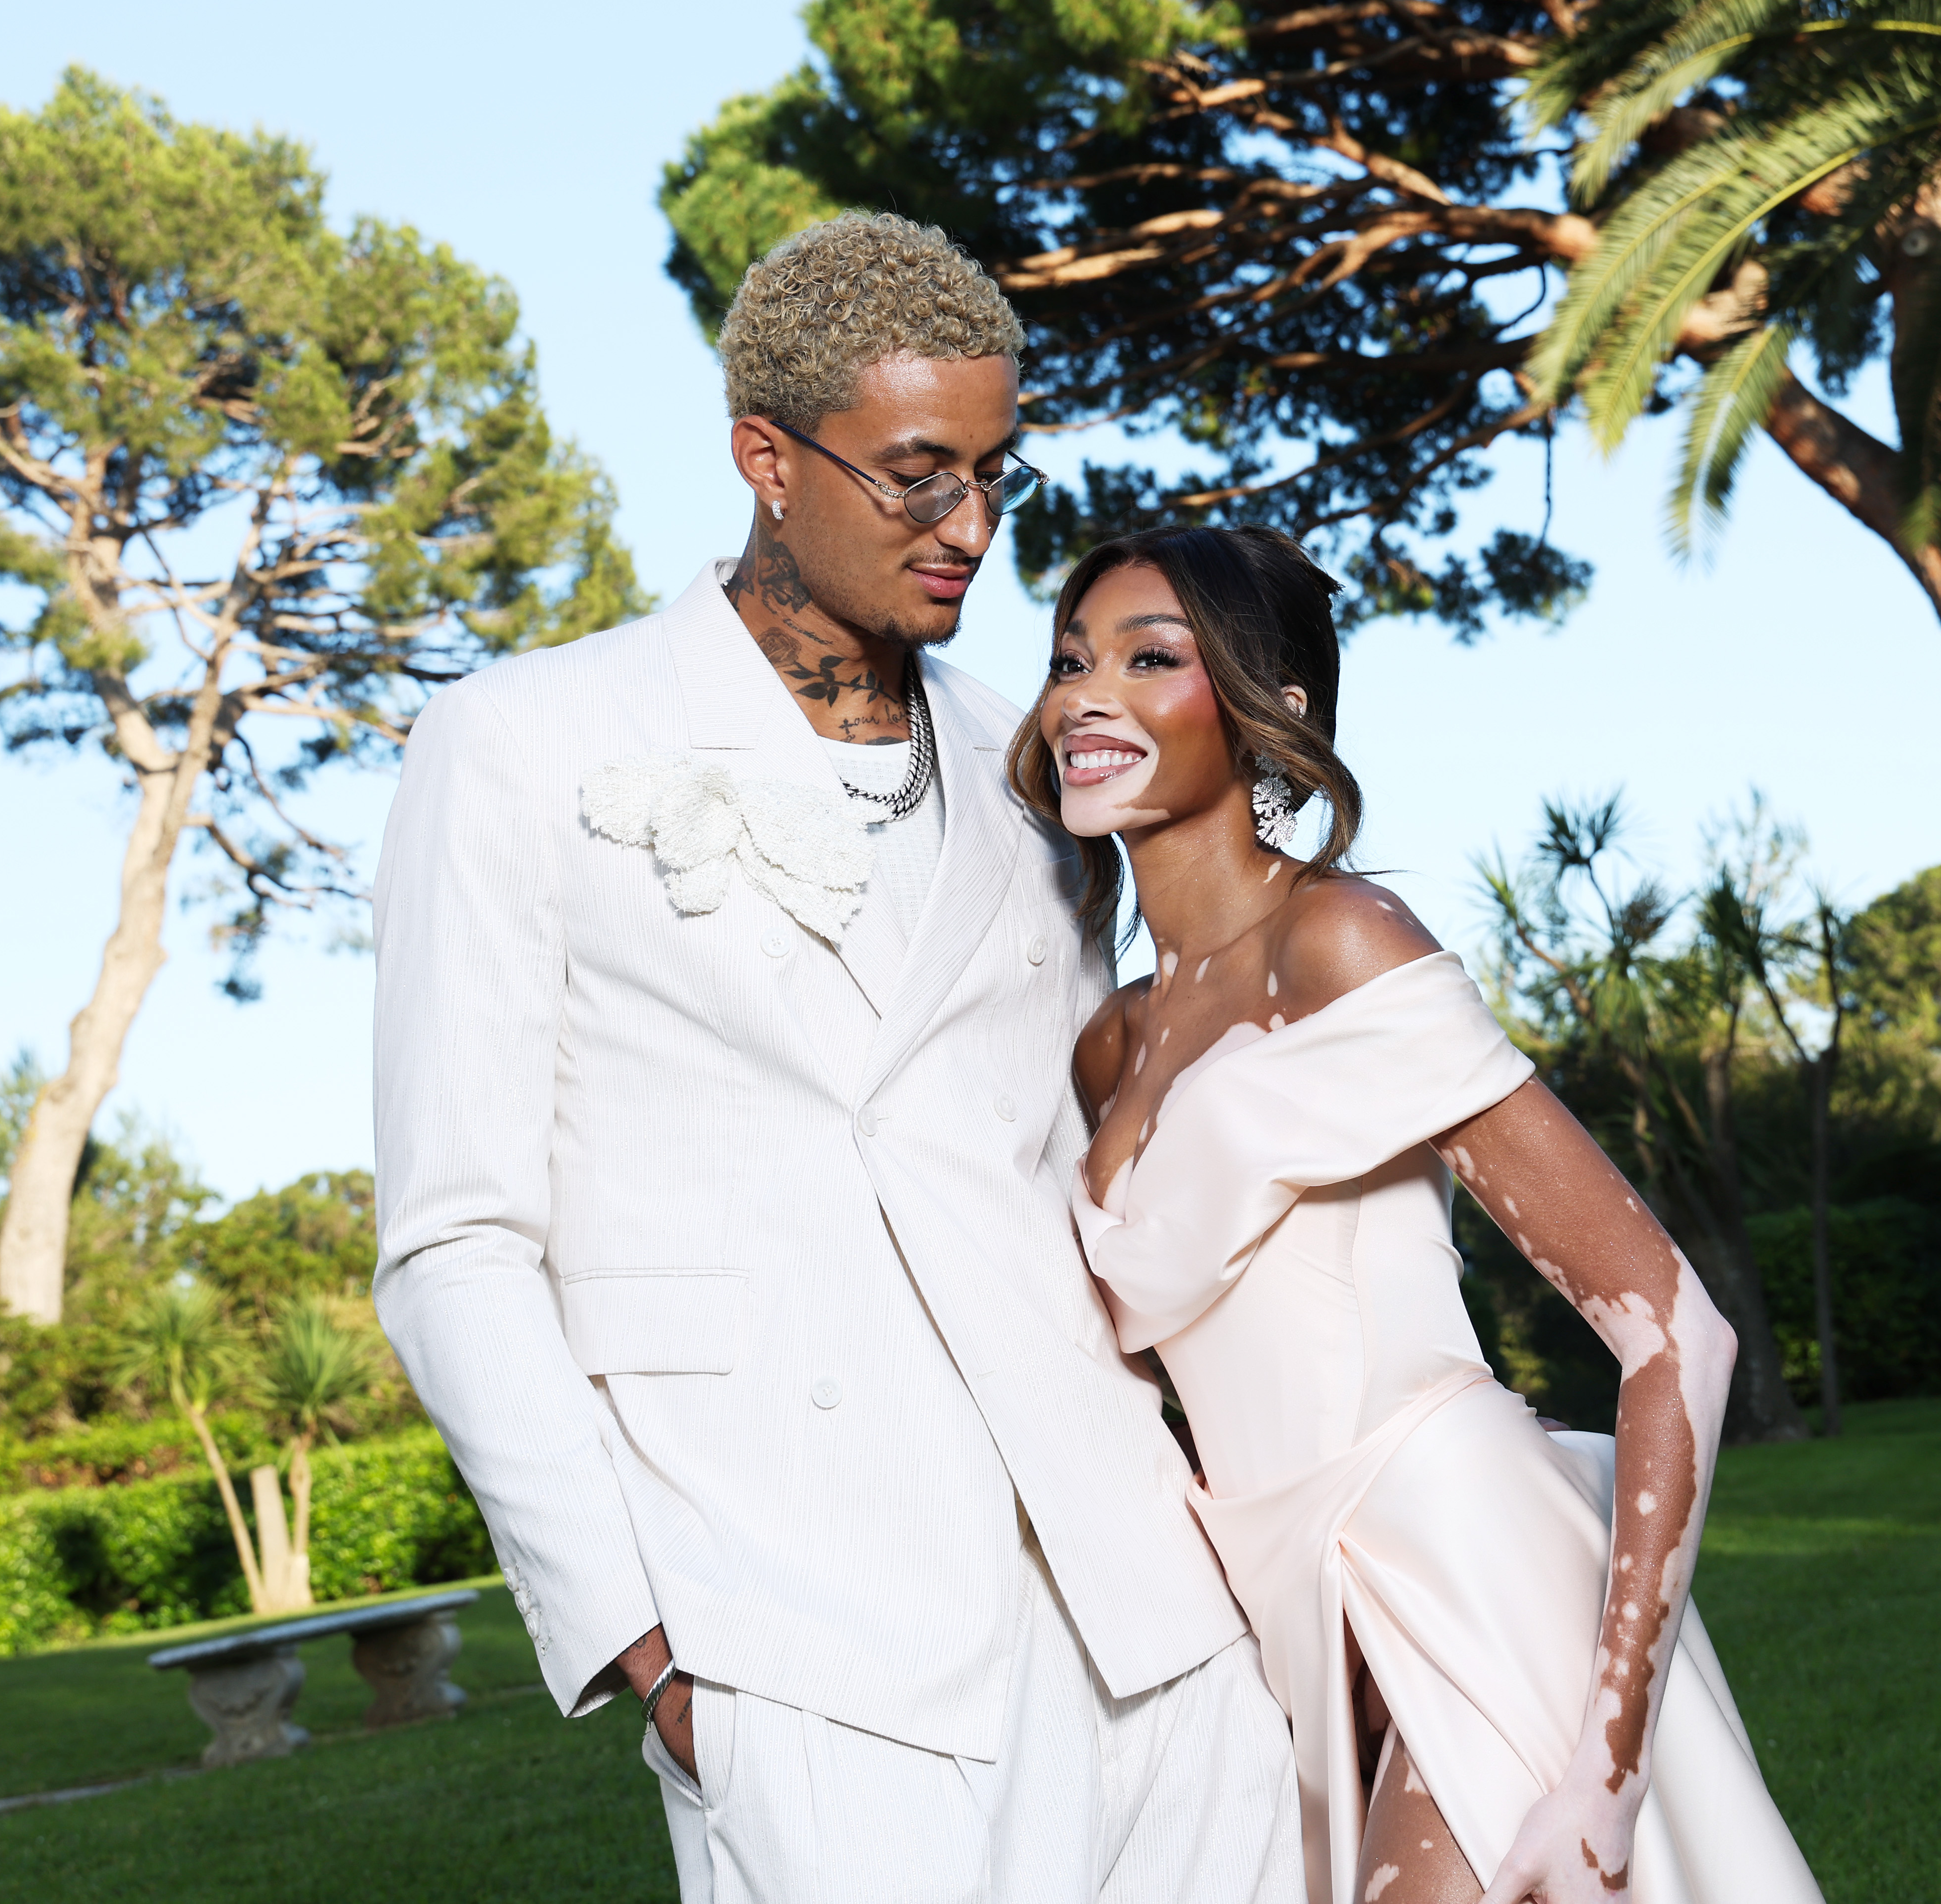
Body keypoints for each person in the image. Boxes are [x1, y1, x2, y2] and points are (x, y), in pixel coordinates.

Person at [372, 216, 1302, 1904]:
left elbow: (1096, 1149)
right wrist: (652, 1657)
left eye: (997, 475)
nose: (972, 528)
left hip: (1140, 1596)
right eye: (916, 476)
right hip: (796, 1627)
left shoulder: (1031, 769)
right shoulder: (521, 744)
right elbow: (456, 1240)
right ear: (766, 461)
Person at [1015, 524, 1824, 1904]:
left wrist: (1606, 1773)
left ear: (1275, 708)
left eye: (1153, 659)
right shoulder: (1110, 1045)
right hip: (1285, 1615)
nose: (1087, 695)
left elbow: (1679, 1333)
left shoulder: (1339, 944)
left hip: (1461, 1561)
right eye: (1071, 660)